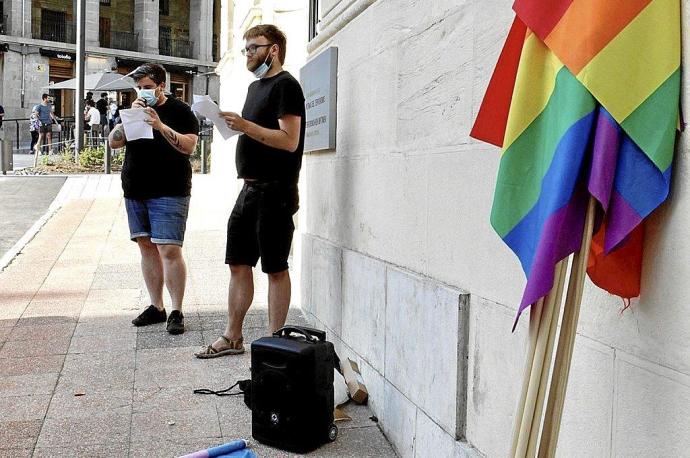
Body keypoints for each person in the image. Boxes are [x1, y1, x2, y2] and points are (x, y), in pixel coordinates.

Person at [195, 24, 306, 358]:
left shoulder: (286, 86)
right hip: (249, 190)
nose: (247, 54)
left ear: (273, 49)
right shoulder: (256, 87)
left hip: (275, 192)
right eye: (244, 49)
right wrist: (235, 125)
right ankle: (233, 337)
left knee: (274, 268)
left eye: (252, 48)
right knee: (238, 263)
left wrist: (245, 126)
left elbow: (289, 141)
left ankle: (275, 342)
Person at [108, 63, 199, 335]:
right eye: (139, 87)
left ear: (161, 86)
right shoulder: (132, 110)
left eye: (147, 87)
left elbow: (189, 146)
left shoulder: (180, 111)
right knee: (146, 246)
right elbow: (114, 142)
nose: (142, 91)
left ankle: (176, 310)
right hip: (136, 188)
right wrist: (127, 120)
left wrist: (160, 125)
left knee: (169, 249)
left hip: (170, 189)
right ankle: (156, 306)